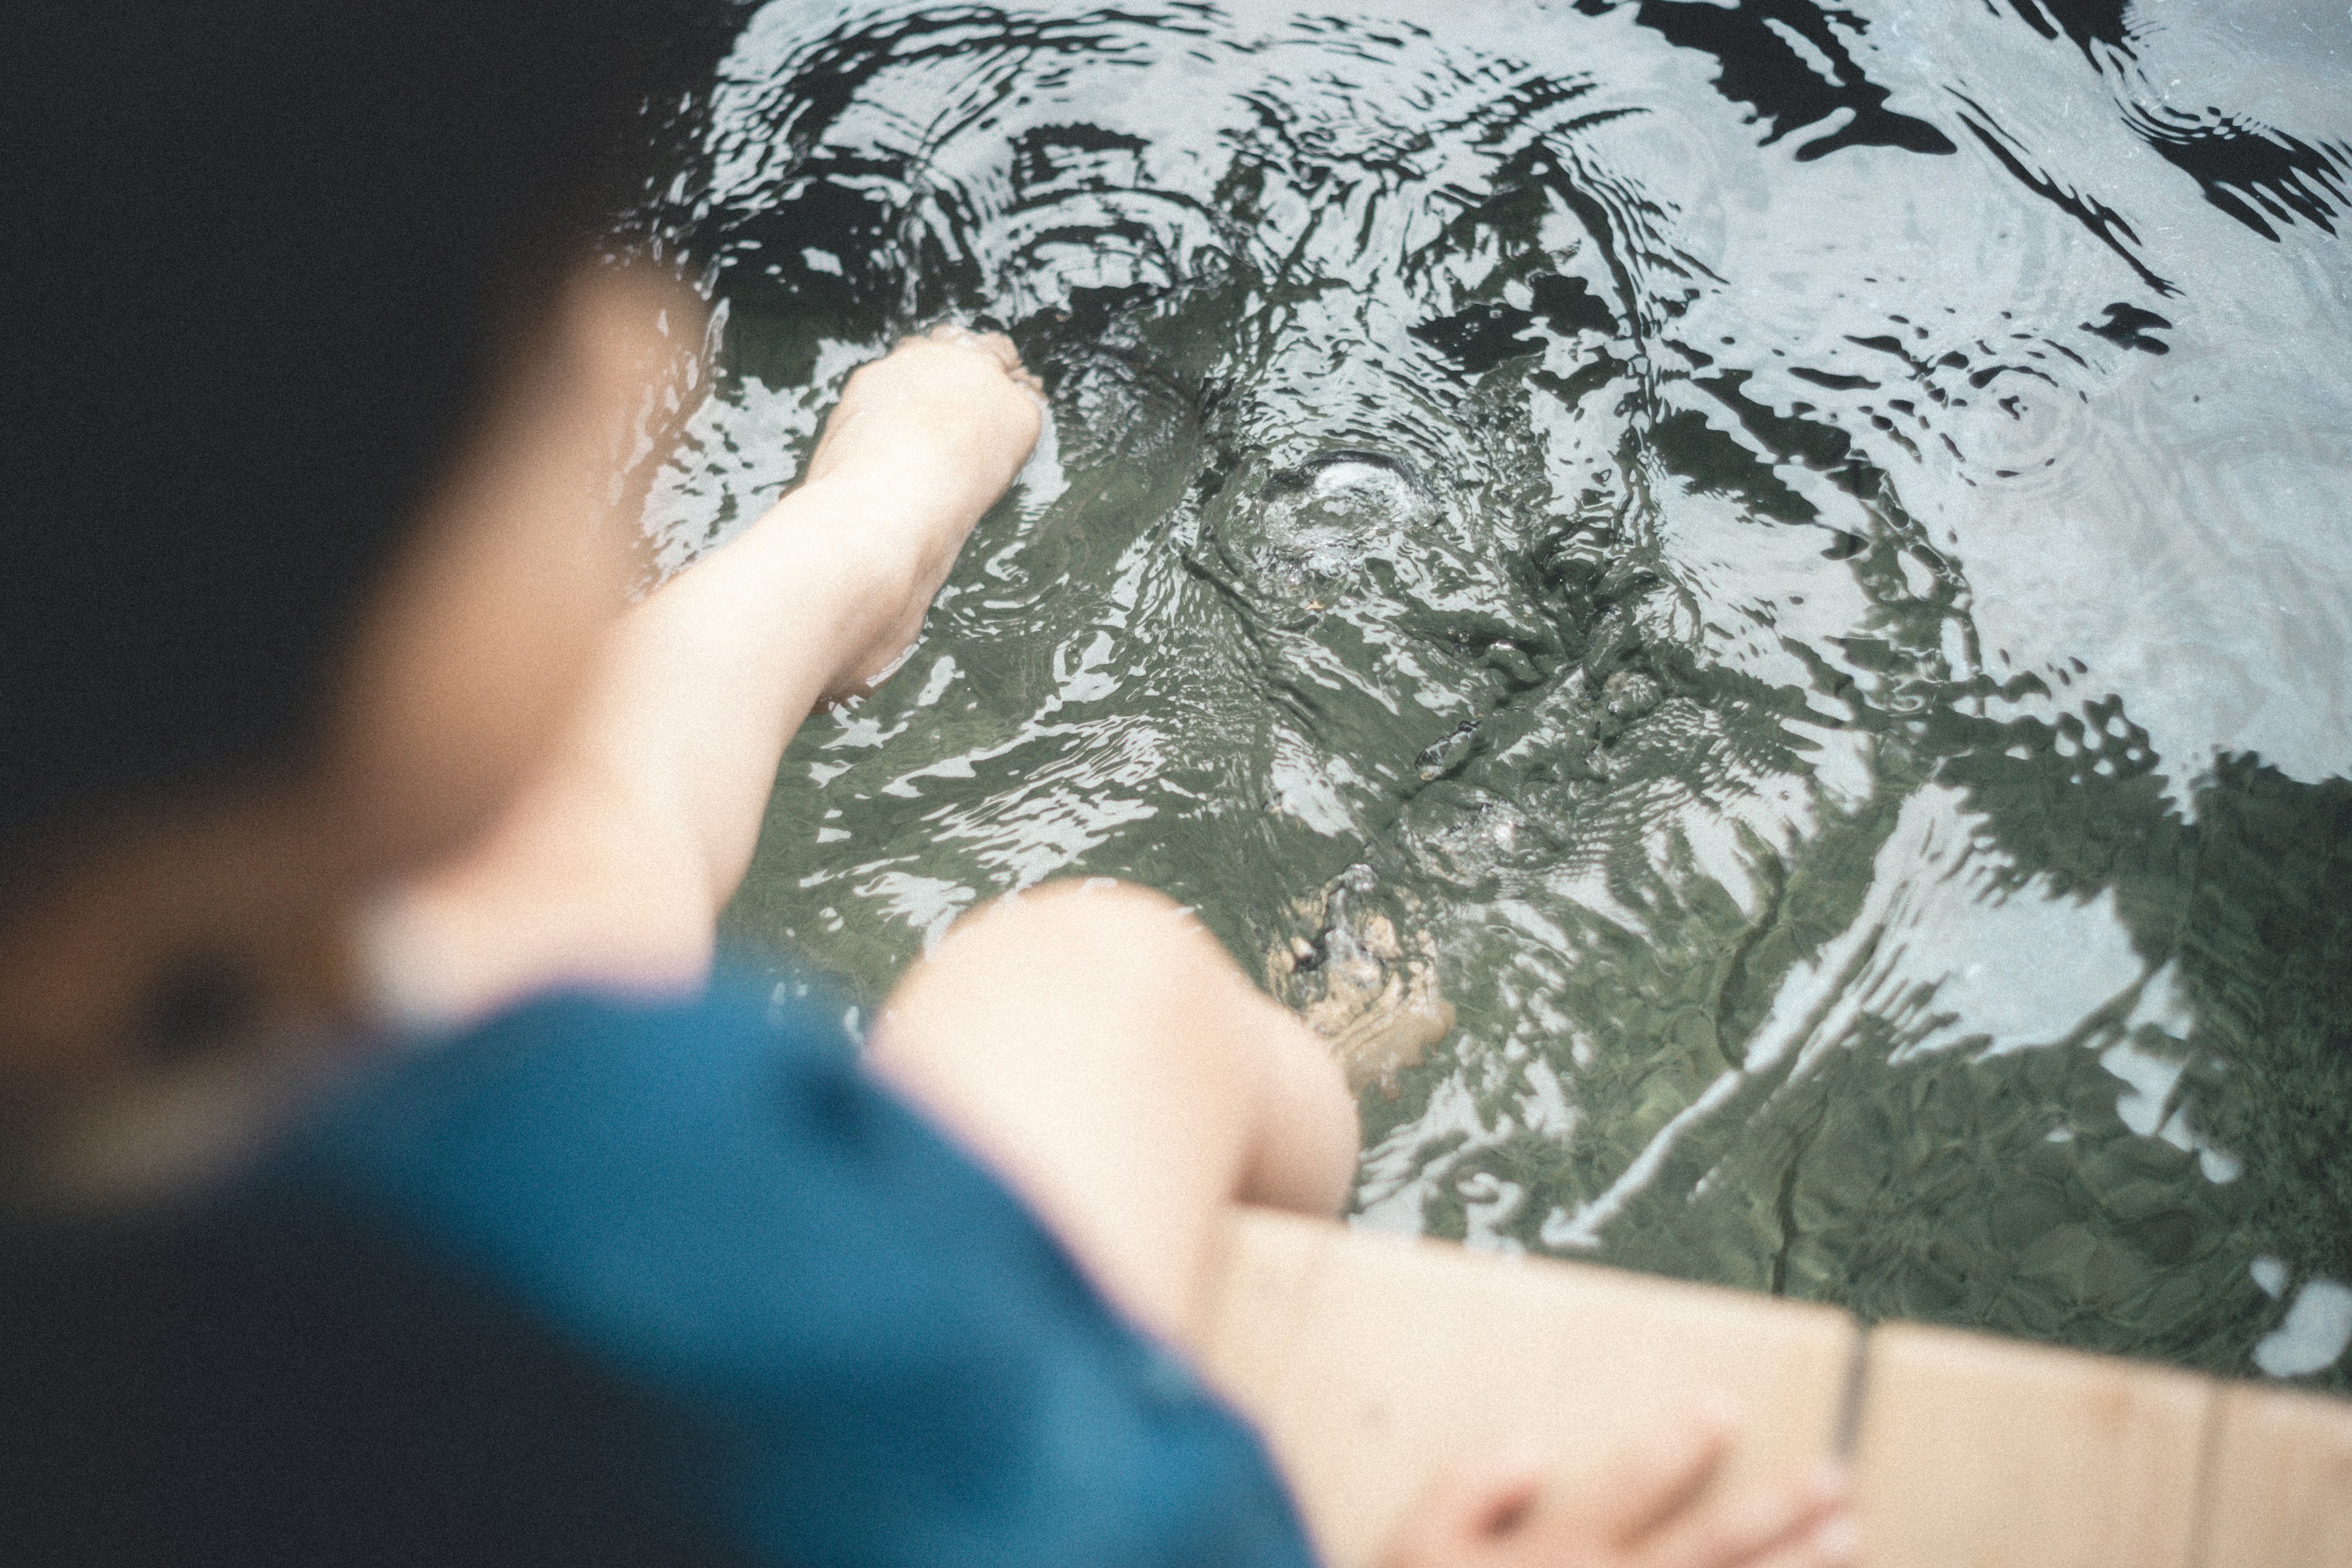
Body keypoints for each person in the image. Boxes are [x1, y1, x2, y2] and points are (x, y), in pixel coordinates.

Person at [0, 5, 1858, 1566]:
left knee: (547, 868)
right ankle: (1314, 1060)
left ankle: (862, 539)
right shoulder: (710, 1309)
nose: (642, 339)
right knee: (1098, 977)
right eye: (521, 337)